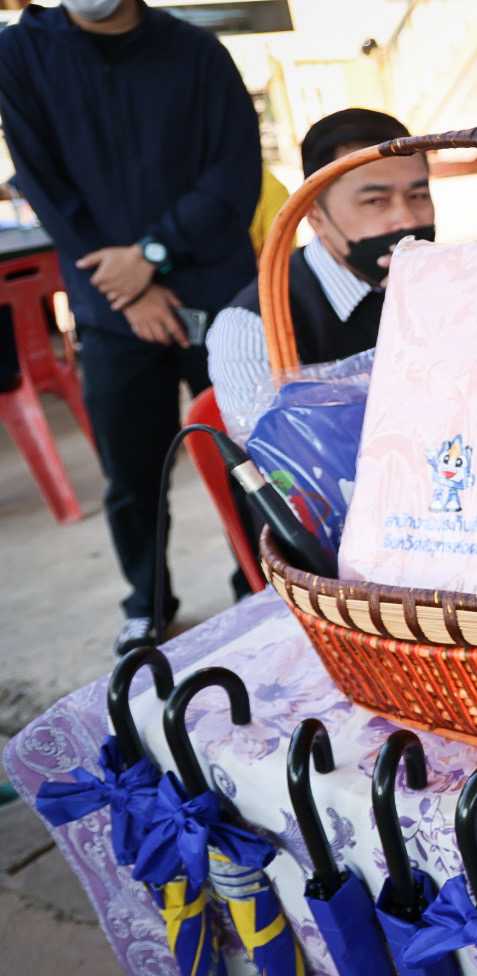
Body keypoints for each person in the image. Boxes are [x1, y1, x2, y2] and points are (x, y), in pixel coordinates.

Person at [0, 0, 261, 654]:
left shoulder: (197, 54)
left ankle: (258, 588)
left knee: (246, 457)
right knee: (131, 471)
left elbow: (233, 178)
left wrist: (150, 256)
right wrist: (127, 290)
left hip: (215, 298)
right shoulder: (21, 55)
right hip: (110, 306)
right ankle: (146, 601)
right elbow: (45, 185)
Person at [208, 108, 434, 437]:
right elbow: (280, 457)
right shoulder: (252, 328)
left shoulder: (450, 287)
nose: (408, 219)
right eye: (375, 201)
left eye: (418, 195)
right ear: (316, 215)